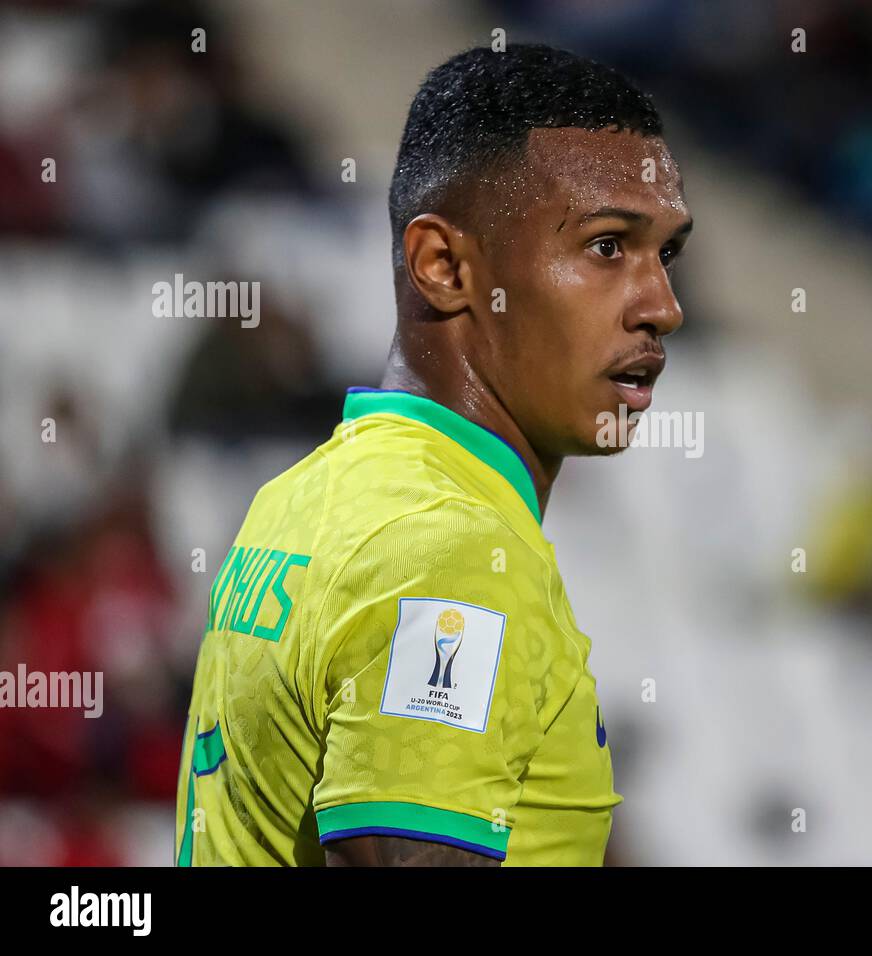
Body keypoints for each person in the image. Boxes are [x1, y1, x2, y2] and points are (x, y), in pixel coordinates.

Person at [174, 43, 692, 866]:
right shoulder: (451, 552)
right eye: (606, 247)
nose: (662, 306)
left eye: (666, 253)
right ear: (444, 267)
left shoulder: (302, 496)